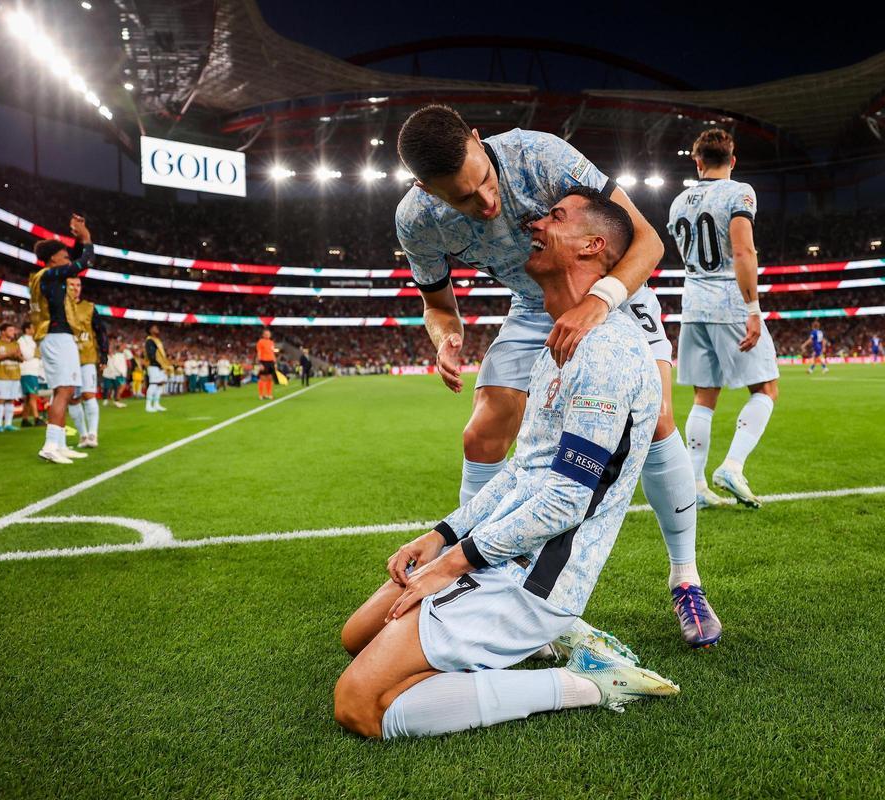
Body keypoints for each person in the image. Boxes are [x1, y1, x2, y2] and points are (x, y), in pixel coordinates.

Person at [334, 188, 678, 741]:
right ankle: (478, 653)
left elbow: (566, 500)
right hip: (500, 553)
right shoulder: (559, 340)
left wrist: (452, 565)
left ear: (594, 245)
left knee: (359, 705)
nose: (534, 223)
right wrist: (440, 536)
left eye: (555, 216)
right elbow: (521, 471)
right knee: (358, 636)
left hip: (533, 580)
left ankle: (591, 682)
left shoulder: (608, 353)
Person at [395, 105, 717, 647]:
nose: (486, 203)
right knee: (481, 432)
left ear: (479, 140)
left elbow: (648, 241)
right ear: (424, 189)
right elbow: (438, 305)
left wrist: (597, 301)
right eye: (463, 199)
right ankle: (484, 573)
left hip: (614, 288)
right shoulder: (416, 221)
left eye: (485, 183)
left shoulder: (538, 154)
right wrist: (446, 337)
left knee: (657, 419)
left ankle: (686, 579)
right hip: (531, 306)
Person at [670, 129, 779, 512]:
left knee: (705, 395)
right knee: (765, 389)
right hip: (729, 302)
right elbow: (742, 250)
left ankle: (695, 484)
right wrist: (753, 310)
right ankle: (732, 465)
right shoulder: (739, 192)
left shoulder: (678, 202)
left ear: (697, 162)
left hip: (693, 303)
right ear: (732, 161)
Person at [29, 214, 93, 464]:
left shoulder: (42, 277)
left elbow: (77, 259)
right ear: (53, 258)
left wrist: (78, 237)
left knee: (61, 391)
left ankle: (61, 444)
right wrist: (85, 237)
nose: (68, 258)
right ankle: (50, 445)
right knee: (64, 391)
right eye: (64, 255)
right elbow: (84, 261)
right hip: (56, 336)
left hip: (53, 336)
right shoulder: (50, 275)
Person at [65, 276, 107, 448]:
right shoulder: (60, 307)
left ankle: (93, 434)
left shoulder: (89, 307)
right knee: (73, 399)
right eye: (71, 285)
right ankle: (82, 435)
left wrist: (104, 355)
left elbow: (101, 331)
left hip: (86, 357)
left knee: (88, 394)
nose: (76, 288)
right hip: (66, 359)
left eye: (78, 285)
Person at [0, 323, 23, 432]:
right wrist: (7, 355)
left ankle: (8, 424)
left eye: (13, 330)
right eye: (10, 330)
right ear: (3, 332)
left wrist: (18, 357)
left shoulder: (16, 344)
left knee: (11, 400)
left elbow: (21, 359)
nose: (13, 332)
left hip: (14, 375)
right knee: (0, 400)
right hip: (1, 375)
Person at [17, 321, 43, 427]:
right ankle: (36, 418)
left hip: (33, 370)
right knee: (33, 395)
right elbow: (27, 355)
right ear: (27, 329)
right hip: (27, 371)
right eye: (32, 327)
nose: (34, 330)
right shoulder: (22, 340)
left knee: (28, 397)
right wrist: (35, 352)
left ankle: (25, 419)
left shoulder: (32, 340)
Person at [143, 325, 170, 412]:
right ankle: (148, 405)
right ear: (150, 330)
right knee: (153, 384)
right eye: (154, 328)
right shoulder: (149, 340)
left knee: (160, 384)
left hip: (161, 366)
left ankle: (156, 404)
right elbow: (151, 355)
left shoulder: (157, 340)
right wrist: (159, 364)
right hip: (154, 365)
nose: (157, 329)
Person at [102, 338, 129, 408]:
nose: (124, 348)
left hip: (119, 373)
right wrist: (121, 372)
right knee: (121, 387)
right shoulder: (116, 355)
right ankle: (116, 400)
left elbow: (129, 357)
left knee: (119, 387)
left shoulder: (122, 354)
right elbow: (116, 365)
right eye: (123, 347)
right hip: (119, 374)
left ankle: (116, 400)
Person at [256, 329, 276, 399]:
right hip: (264, 361)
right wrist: (260, 363)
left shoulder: (271, 342)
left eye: (269, 334)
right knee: (263, 378)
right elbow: (259, 353)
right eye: (266, 334)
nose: (268, 335)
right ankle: (261, 395)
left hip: (271, 362)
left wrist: (275, 362)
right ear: (263, 335)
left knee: (270, 378)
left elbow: (272, 353)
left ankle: (269, 394)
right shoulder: (260, 342)